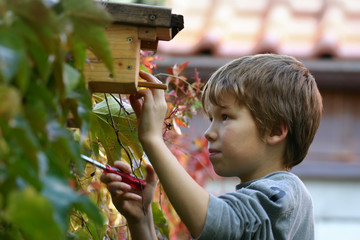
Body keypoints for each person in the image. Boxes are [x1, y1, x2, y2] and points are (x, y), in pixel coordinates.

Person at [101, 54, 323, 239]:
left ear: (274, 130)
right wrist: (141, 219)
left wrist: (153, 140)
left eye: (225, 116)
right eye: (211, 119)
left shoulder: (287, 194)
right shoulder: (255, 205)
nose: (209, 133)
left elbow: (220, 223)